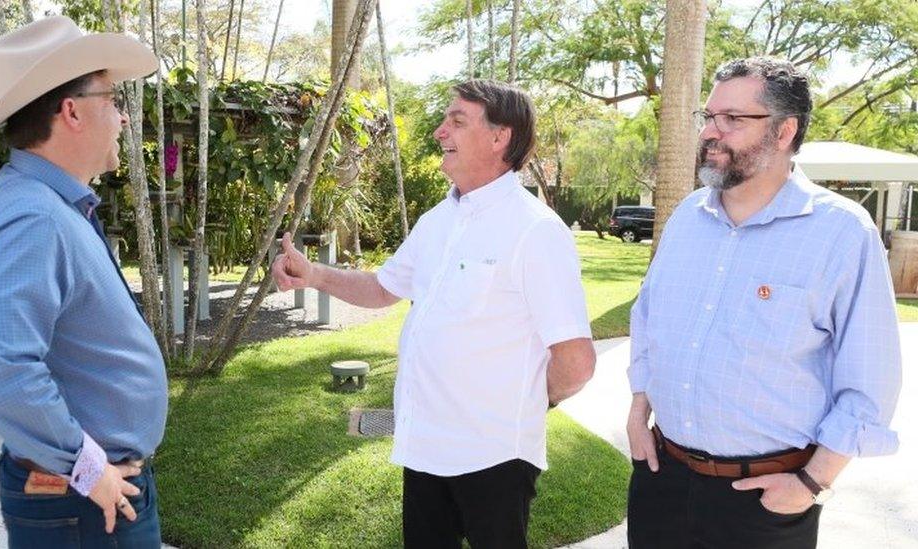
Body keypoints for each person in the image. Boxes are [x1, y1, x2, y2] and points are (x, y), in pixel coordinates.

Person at [272, 79, 595, 548]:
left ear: (499, 137)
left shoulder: (536, 230)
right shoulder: (437, 219)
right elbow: (383, 288)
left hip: (494, 457)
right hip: (424, 448)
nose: (440, 132)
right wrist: (316, 274)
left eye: (457, 121)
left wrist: (530, 400)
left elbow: (576, 360)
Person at [625, 57, 902, 548]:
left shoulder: (841, 232)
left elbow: (870, 379)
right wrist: (637, 409)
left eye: (733, 119)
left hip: (765, 503)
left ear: (783, 131)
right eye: (709, 117)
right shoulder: (687, 218)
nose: (711, 132)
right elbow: (648, 322)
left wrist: (812, 483)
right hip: (660, 479)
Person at [0, 16, 168, 548]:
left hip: (89, 496)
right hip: (85, 502)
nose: (122, 117)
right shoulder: (35, 217)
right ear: (71, 111)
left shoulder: (47, 204)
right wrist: (88, 468)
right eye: (113, 99)